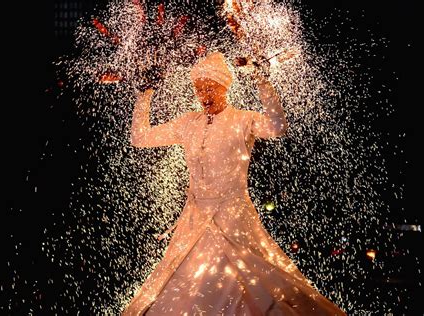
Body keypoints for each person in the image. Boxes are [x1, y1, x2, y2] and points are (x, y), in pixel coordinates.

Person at [122, 51, 346, 315]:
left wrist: (262, 80)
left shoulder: (242, 119)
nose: (203, 95)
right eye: (198, 89)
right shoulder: (187, 123)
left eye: (209, 88)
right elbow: (140, 137)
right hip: (193, 221)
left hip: (234, 219)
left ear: (224, 87)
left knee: (249, 280)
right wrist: (145, 93)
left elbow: (276, 127)